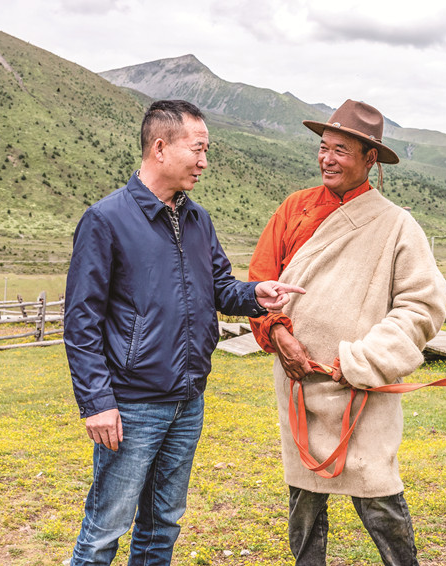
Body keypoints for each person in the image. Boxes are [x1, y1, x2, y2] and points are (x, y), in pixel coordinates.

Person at [63, 99, 304, 565]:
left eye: (205, 150)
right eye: (198, 149)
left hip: (188, 401)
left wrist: (256, 294)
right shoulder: (105, 220)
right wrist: (97, 402)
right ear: (160, 147)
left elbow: (219, 288)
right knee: (105, 529)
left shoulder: (197, 219)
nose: (204, 161)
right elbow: (81, 321)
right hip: (131, 405)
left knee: (163, 525)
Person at [249, 99, 446, 566]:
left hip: (362, 385)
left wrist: (365, 361)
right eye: (324, 147)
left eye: (340, 150)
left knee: (379, 493)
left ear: (369, 158)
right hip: (299, 382)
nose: (327, 159)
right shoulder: (294, 210)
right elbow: (260, 285)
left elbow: (422, 306)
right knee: (303, 501)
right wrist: (279, 336)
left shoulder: (397, 225)